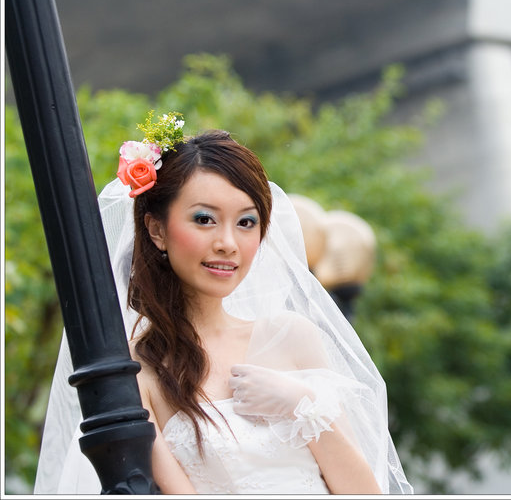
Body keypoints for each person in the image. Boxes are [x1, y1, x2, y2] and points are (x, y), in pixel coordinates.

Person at [33, 112, 413, 494]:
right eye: (204, 219)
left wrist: (301, 405)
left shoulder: (293, 336)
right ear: (157, 229)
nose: (228, 244)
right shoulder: (139, 370)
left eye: (246, 222)